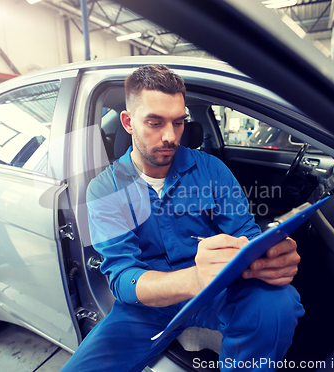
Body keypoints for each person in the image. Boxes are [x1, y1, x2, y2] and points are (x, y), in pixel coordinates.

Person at [61, 65, 304, 372]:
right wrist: (193, 279)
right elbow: (123, 278)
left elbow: (246, 235)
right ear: (128, 122)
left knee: (277, 302)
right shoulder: (105, 190)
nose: (170, 136)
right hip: (146, 307)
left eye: (178, 122)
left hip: (218, 291)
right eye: (155, 122)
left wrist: (270, 256)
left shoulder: (212, 170)